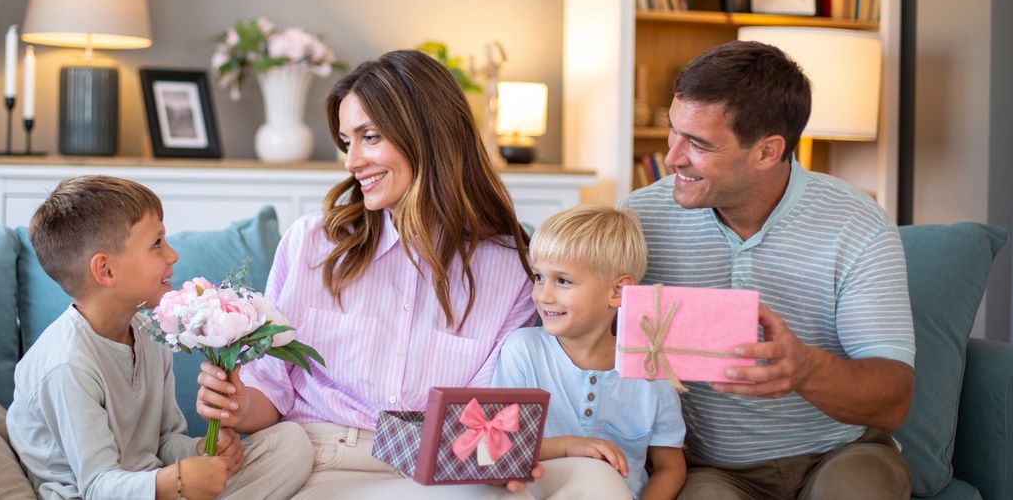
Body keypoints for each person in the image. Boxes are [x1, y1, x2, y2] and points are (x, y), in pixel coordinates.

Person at [194, 49, 629, 499]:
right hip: (330, 457)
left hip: (445, 462)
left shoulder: (509, 266)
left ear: (429, 136)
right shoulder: (313, 243)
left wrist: (507, 458)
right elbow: (271, 392)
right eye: (347, 142)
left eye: (370, 137)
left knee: (597, 481)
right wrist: (236, 404)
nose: (351, 162)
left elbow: (485, 416)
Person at [622, 40, 915, 499]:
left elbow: (894, 399)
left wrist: (806, 370)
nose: (673, 156)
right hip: (709, 468)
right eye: (673, 132)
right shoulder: (640, 219)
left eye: (698, 143)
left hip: (840, 453)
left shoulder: (857, 224)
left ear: (767, 152)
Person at [7, 175, 312, 500]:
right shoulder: (67, 366)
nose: (172, 255)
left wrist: (200, 450)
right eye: (156, 243)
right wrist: (177, 481)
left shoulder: (151, 335)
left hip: (156, 486)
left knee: (291, 443)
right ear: (105, 270)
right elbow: (96, 486)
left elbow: (164, 442)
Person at [492, 205, 686, 500]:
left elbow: (670, 467)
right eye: (539, 277)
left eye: (563, 281)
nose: (543, 295)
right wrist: (568, 446)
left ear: (617, 292)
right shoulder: (522, 350)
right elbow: (501, 446)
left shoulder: (651, 369)